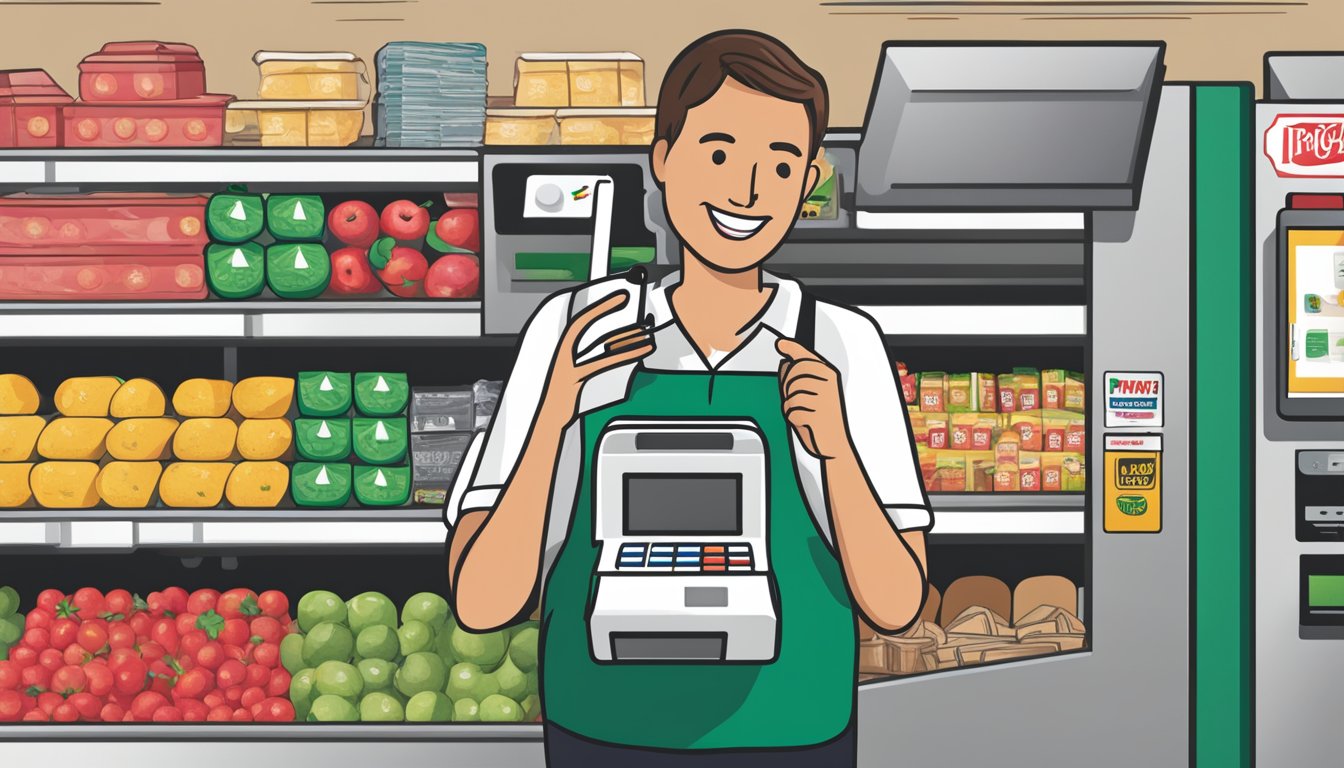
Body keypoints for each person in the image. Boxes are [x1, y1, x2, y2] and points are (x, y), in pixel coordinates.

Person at [448, 29, 931, 767]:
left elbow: (897, 606)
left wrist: (836, 451)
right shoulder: (578, 328)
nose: (746, 189)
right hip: (603, 730)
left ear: (808, 183)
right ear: (664, 159)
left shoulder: (840, 342)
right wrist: (553, 412)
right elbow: (483, 602)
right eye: (719, 152)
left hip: (793, 731)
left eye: (780, 163)